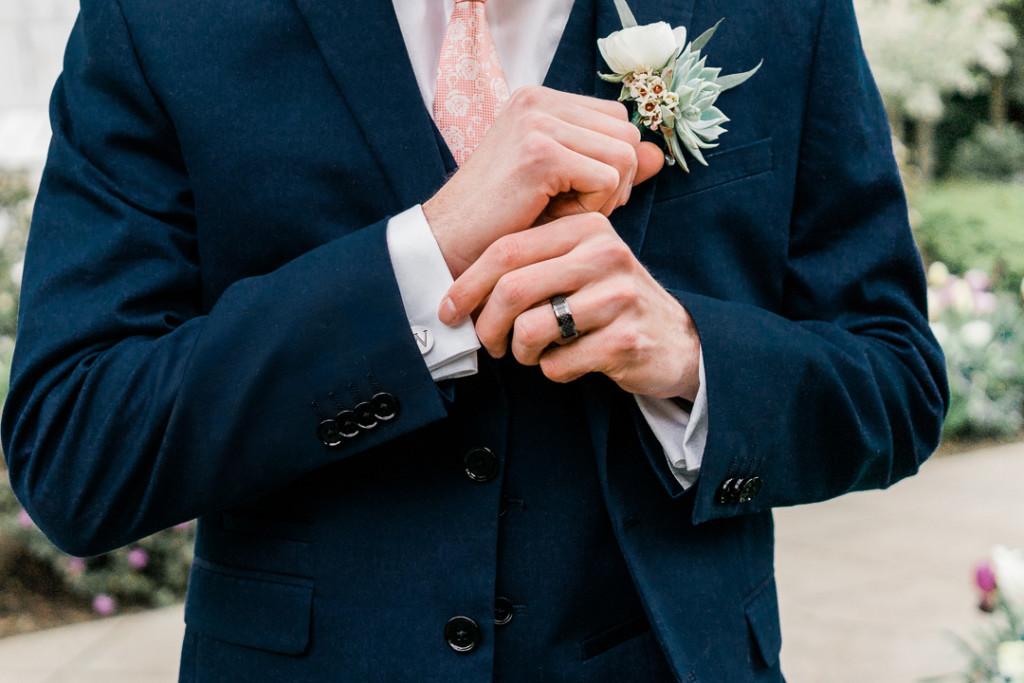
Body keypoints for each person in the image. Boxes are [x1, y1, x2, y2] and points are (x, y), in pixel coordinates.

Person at [0, 0, 949, 681]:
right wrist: (424, 257)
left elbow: (896, 378)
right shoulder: (158, 21)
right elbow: (78, 447)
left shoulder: (786, 13)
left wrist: (694, 357)